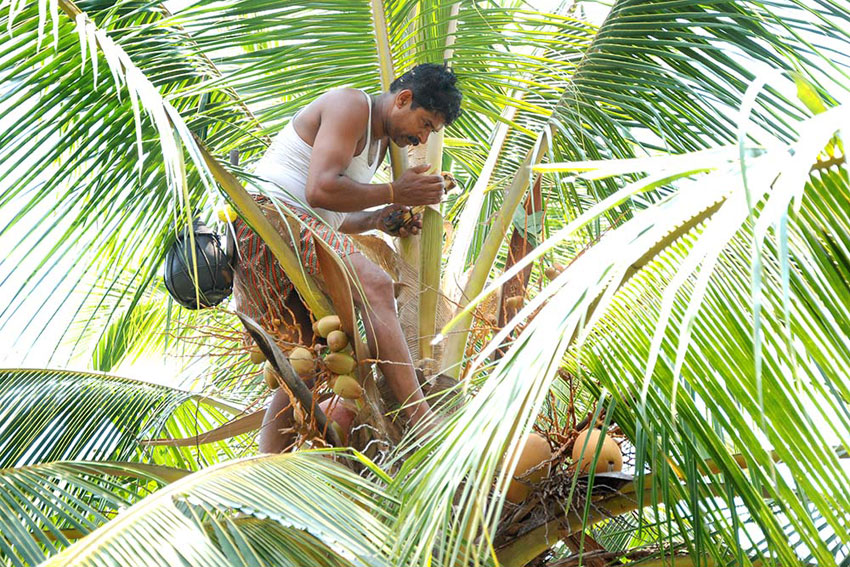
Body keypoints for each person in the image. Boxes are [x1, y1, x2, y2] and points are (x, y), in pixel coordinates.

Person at [232, 63, 463, 452]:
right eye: (424, 123)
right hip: (269, 216)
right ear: (403, 99)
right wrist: (395, 191)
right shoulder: (351, 104)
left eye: (430, 133)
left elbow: (331, 216)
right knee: (375, 285)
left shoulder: (375, 143)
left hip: (285, 232)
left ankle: (265, 466)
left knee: (306, 367)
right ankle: (421, 419)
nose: (421, 137)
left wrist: (378, 219)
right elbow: (321, 189)